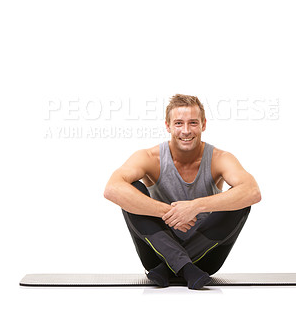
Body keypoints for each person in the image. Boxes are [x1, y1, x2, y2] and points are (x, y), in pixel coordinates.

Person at [104, 94, 261, 289]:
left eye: (193, 123)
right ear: (168, 126)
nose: (186, 131)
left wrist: (196, 206)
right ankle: (185, 268)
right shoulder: (150, 157)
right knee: (132, 189)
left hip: (205, 258)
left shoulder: (220, 158)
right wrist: (168, 212)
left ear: (203, 125)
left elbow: (253, 191)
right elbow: (112, 189)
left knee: (240, 200)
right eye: (178, 123)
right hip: (156, 252)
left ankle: (169, 268)